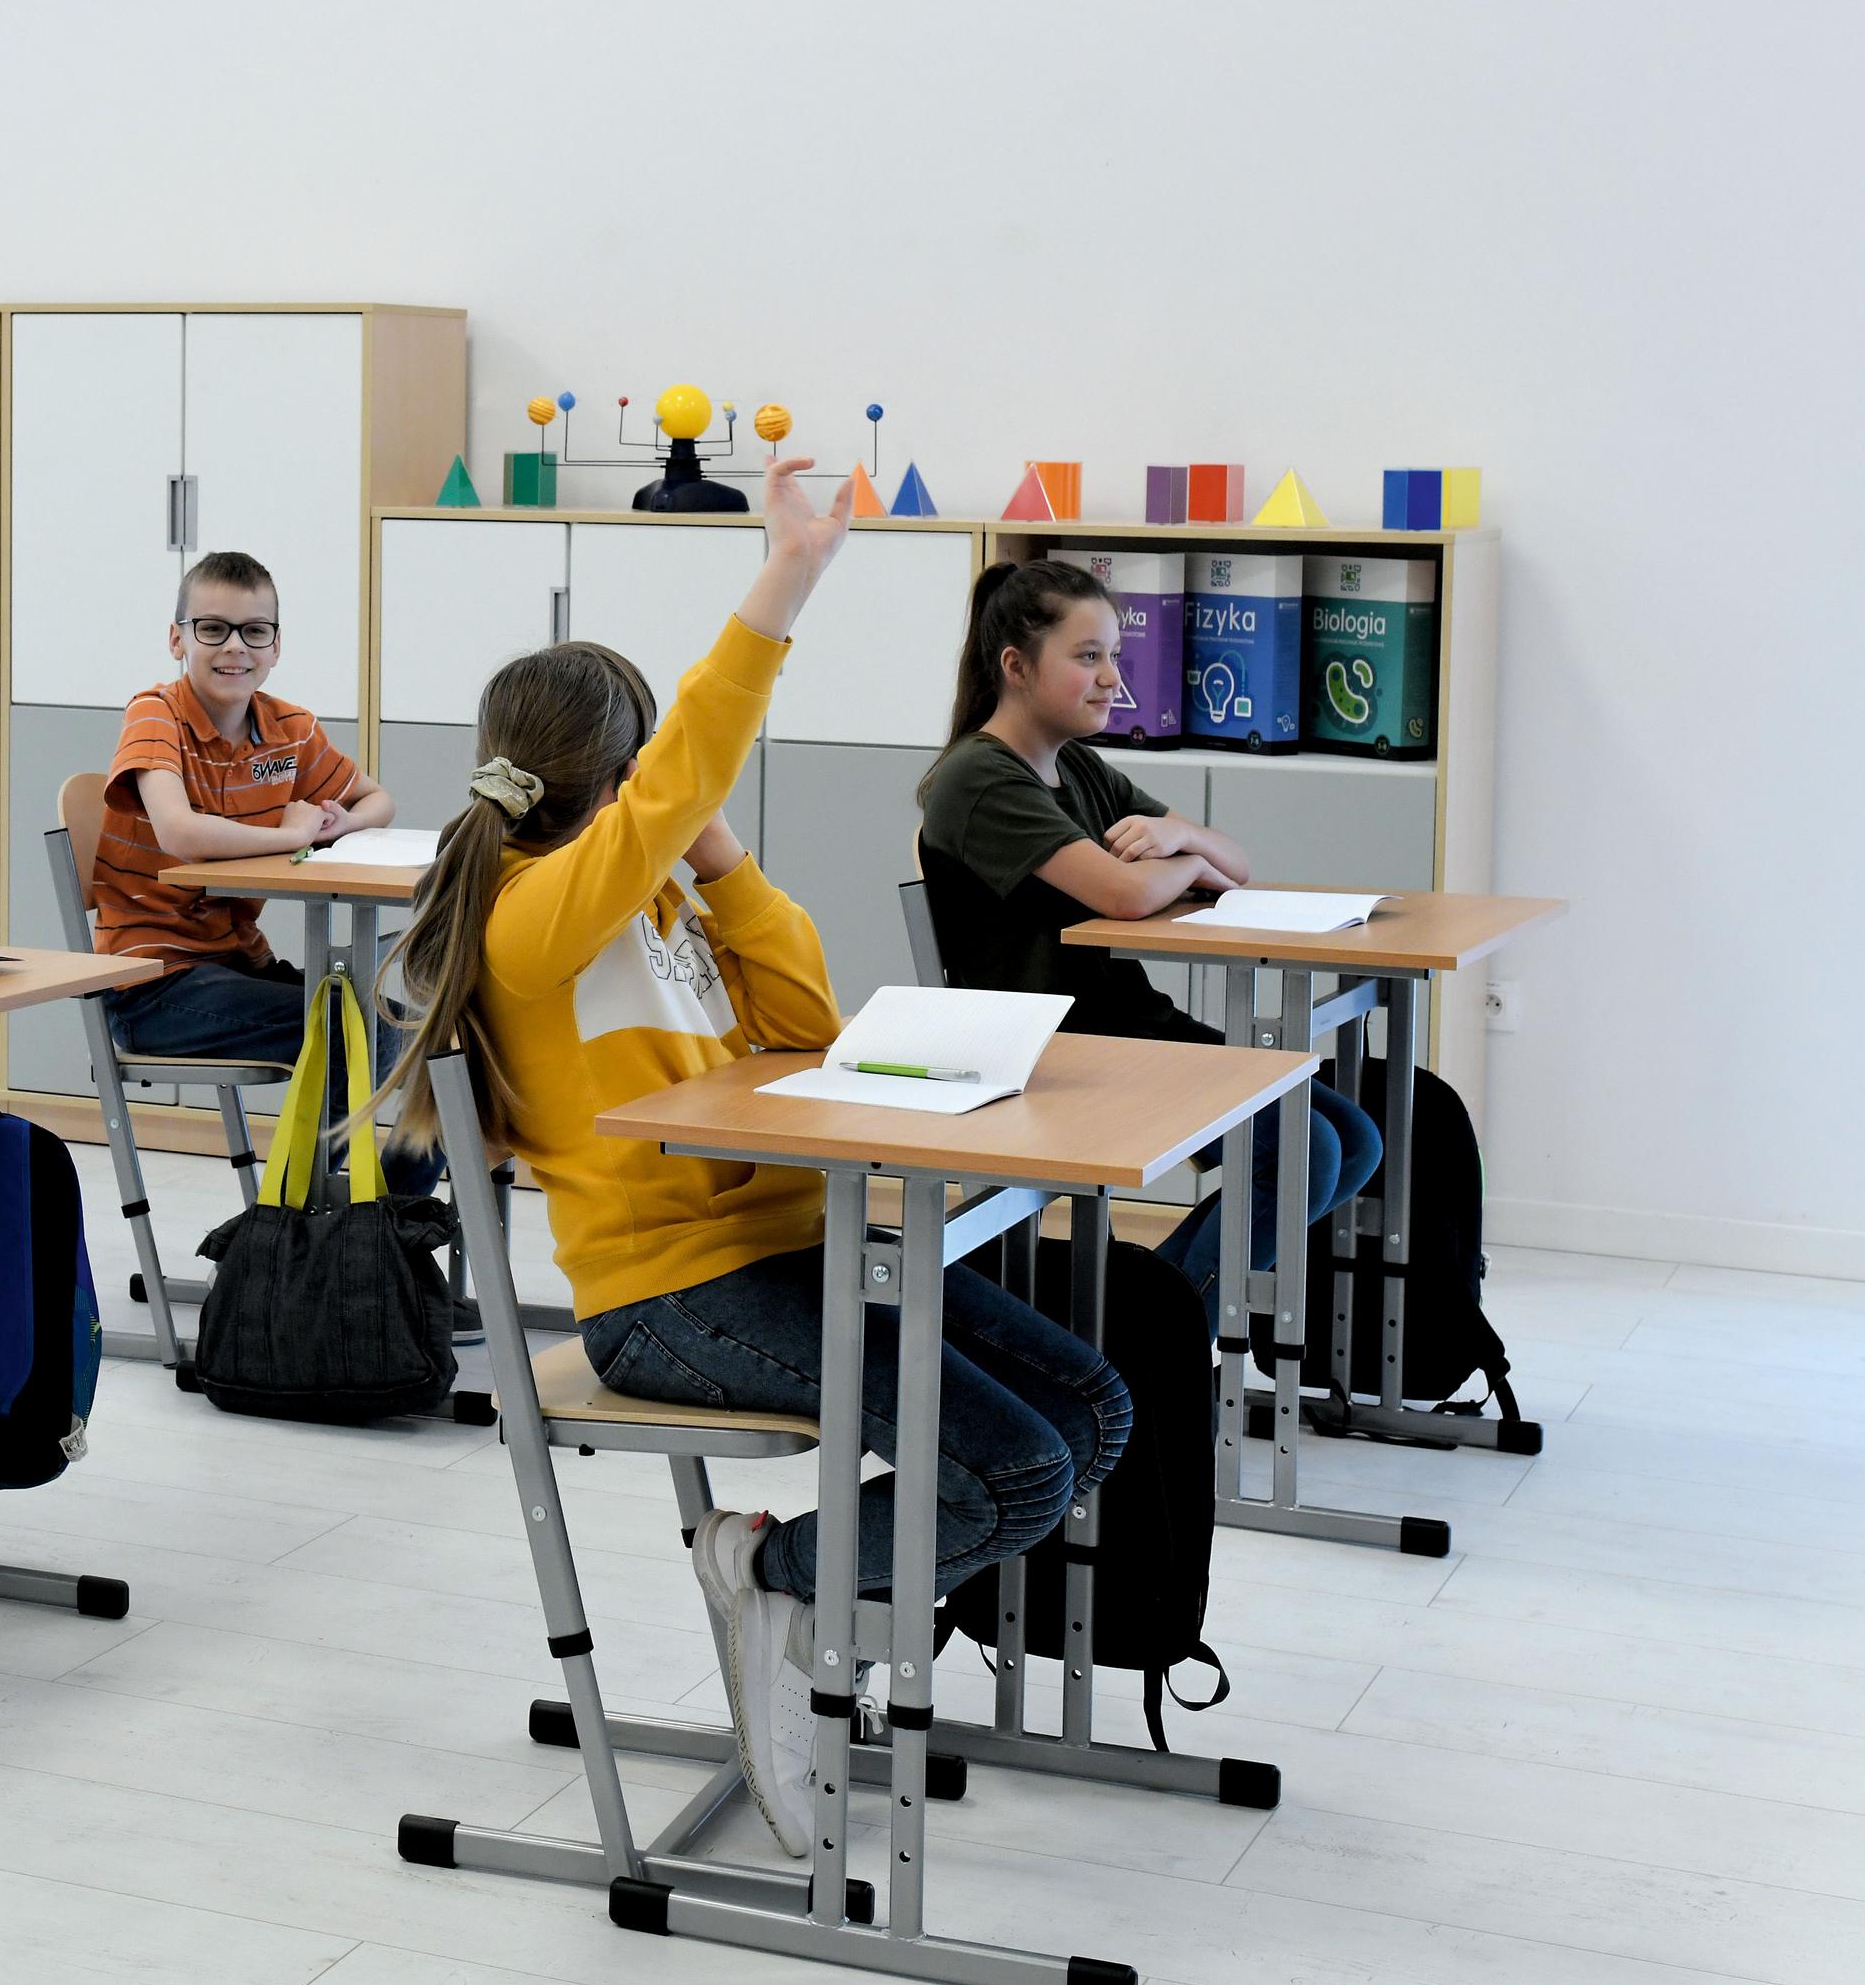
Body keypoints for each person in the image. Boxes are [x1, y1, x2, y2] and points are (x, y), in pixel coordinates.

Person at [374, 458, 1127, 1858]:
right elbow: (696, 755)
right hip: (675, 1295)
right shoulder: (535, 918)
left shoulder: (650, 887)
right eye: (658, 782)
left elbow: (802, 1031)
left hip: (791, 1244)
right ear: (618, 777)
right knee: (1013, 1473)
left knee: (1094, 1411)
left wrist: (725, 867)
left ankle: (789, 1593)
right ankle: (780, 1582)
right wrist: (787, 572)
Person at [913, 557, 1381, 1321]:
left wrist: (1181, 834)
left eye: (1115, 657)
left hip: (1123, 1022)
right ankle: (1144, 1340)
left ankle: (1140, 1321)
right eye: (1088, 656)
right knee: (1304, 1149)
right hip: (1055, 1048)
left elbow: (1238, 868)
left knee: (1350, 1139)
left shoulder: (1081, 770)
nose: (1111, 678)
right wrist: (1185, 858)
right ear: (1016, 666)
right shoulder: (979, 780)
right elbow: (1127, 895)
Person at [87, 548, 397, 1062]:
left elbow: (378, 799)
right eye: (212, 629)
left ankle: (362, 1149)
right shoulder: (155, 714)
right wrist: (293, 837)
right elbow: (178, 833)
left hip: (239, 963)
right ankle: (326, 1150)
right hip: (152, 985)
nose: (235, 647)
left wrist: (345, 821)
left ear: (276, 647)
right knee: (356, 1031)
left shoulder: (290, 730)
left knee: (399, 1023)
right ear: (176, 639)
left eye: (254, 631)